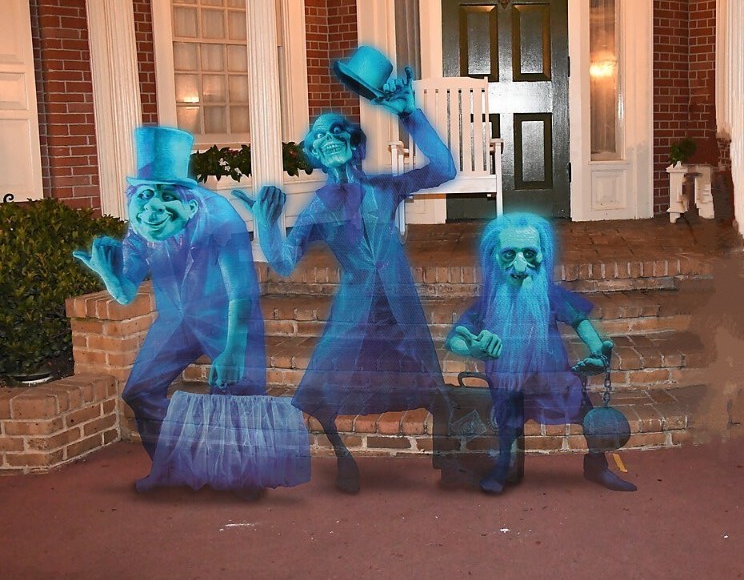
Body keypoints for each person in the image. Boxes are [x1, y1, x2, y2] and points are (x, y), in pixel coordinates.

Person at [236, 52, 455, 494]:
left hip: (398, 301)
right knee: (322, 389)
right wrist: (265, 225)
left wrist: (410, 114)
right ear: (315, 154)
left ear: (354, 143)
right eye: (318, 137)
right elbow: (283, 261)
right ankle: (341, 454)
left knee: (429, 382)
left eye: (336, 131)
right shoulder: (319, 206)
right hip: (355, 309)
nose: (328, 138)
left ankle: (450, 457)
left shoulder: (384, 187)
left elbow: (445, 169)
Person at [74, 126, 269, 478]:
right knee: (140, 391)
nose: (152, 209)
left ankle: (234, 475)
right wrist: (108, 273)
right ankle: (176, 465)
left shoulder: (221, 219)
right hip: (177, 318)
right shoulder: (140, 228)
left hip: (225, 316)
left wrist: (234, 349)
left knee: (236, 397)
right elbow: (125, 292)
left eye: (165, 197)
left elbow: (242, 291)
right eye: (144, 196)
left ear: (190, 203)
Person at [446, 212, 636, 494]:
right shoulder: (487, 302)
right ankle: (503, 467)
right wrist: (471, 347)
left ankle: (597, 465)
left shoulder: (551, 295)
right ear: (494, 258)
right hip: (508, 380)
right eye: (509, 254)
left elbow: (580, 320)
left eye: (530, 254)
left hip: (553, 376)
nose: (520, 267)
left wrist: (598, 350)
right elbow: (455, 339)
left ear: (543, 257)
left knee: (587, 415)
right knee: (507, 423)